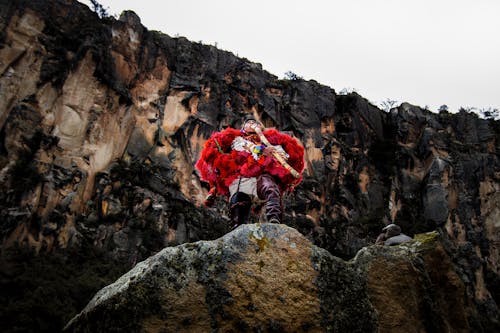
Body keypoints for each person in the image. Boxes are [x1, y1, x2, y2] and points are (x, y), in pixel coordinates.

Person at [195, 115, 305, 229]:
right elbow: (244, 147)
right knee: (238, 202)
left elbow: (284, 156)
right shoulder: (237, 139)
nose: (252, 123)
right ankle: (237, 229)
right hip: (241, 178)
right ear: (244, 128)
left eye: (255, 122)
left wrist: (279, 154)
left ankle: (274, 220)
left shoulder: (270, 142)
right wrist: (262, 150)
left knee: (270, 187)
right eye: (249, 122)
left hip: (261, 177)